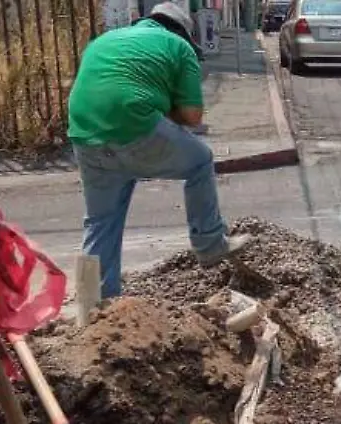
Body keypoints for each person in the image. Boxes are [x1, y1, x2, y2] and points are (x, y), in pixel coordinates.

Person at [68, 2, 246, 299]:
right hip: (134, 123)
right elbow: (192, 116)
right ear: (181, 31)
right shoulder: (179, 46)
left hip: (85, 132)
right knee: (200, 160)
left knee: (101, 221)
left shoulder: (104, 40)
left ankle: (94, 307)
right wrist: (165, 108)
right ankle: (210, 242)